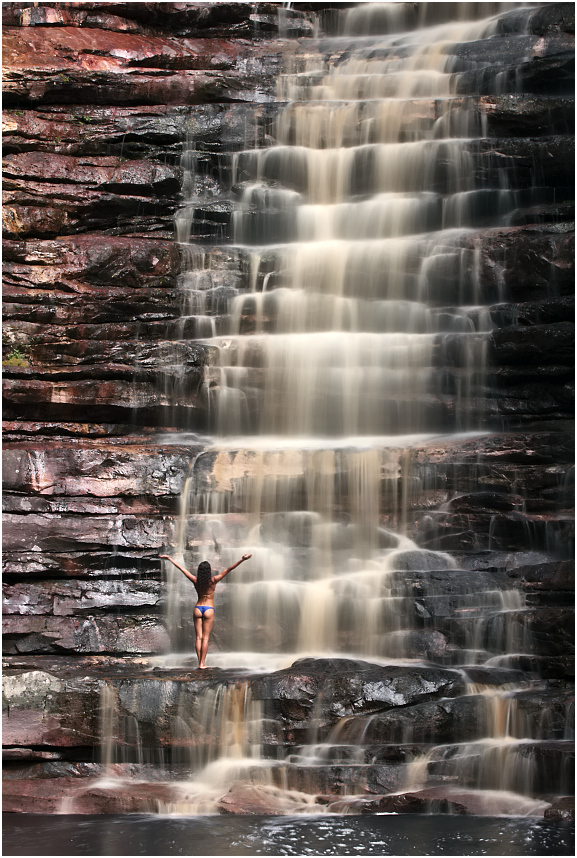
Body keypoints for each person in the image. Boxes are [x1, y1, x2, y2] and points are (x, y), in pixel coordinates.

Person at [159, 552, 252, 669]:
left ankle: (199, 663)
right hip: (208, 609)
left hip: (198, 608)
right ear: (209, 571)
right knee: (206, 638)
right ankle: (203, 663)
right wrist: (242, 559)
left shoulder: (195, 580)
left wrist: (169, 558)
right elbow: (229, 569)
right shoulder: (214, 581)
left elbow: (182, 569)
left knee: (198, 637)